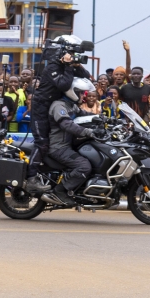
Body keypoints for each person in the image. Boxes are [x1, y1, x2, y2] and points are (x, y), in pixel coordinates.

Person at [25, 36, 91, 193]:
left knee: (51, 141)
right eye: (70, 52)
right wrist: (68, 66)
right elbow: (63, 84)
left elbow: (86, 75)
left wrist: (75, 64)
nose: (71, 55)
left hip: (52, 107)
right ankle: (31, 178)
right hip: (41, 107)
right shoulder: (53, 67)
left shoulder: (67, 66)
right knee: (42, 142)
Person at [47, 78, 100, 206]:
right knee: (84, 166)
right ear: (73, 92)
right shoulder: (59, 106)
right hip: (59, 147)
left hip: (69, 145)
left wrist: (104, 119)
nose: (84, 96)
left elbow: (85, 114)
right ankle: (60, 191)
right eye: (82, 93)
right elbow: (67, 125)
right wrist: (88, 132)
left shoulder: (72, 106)